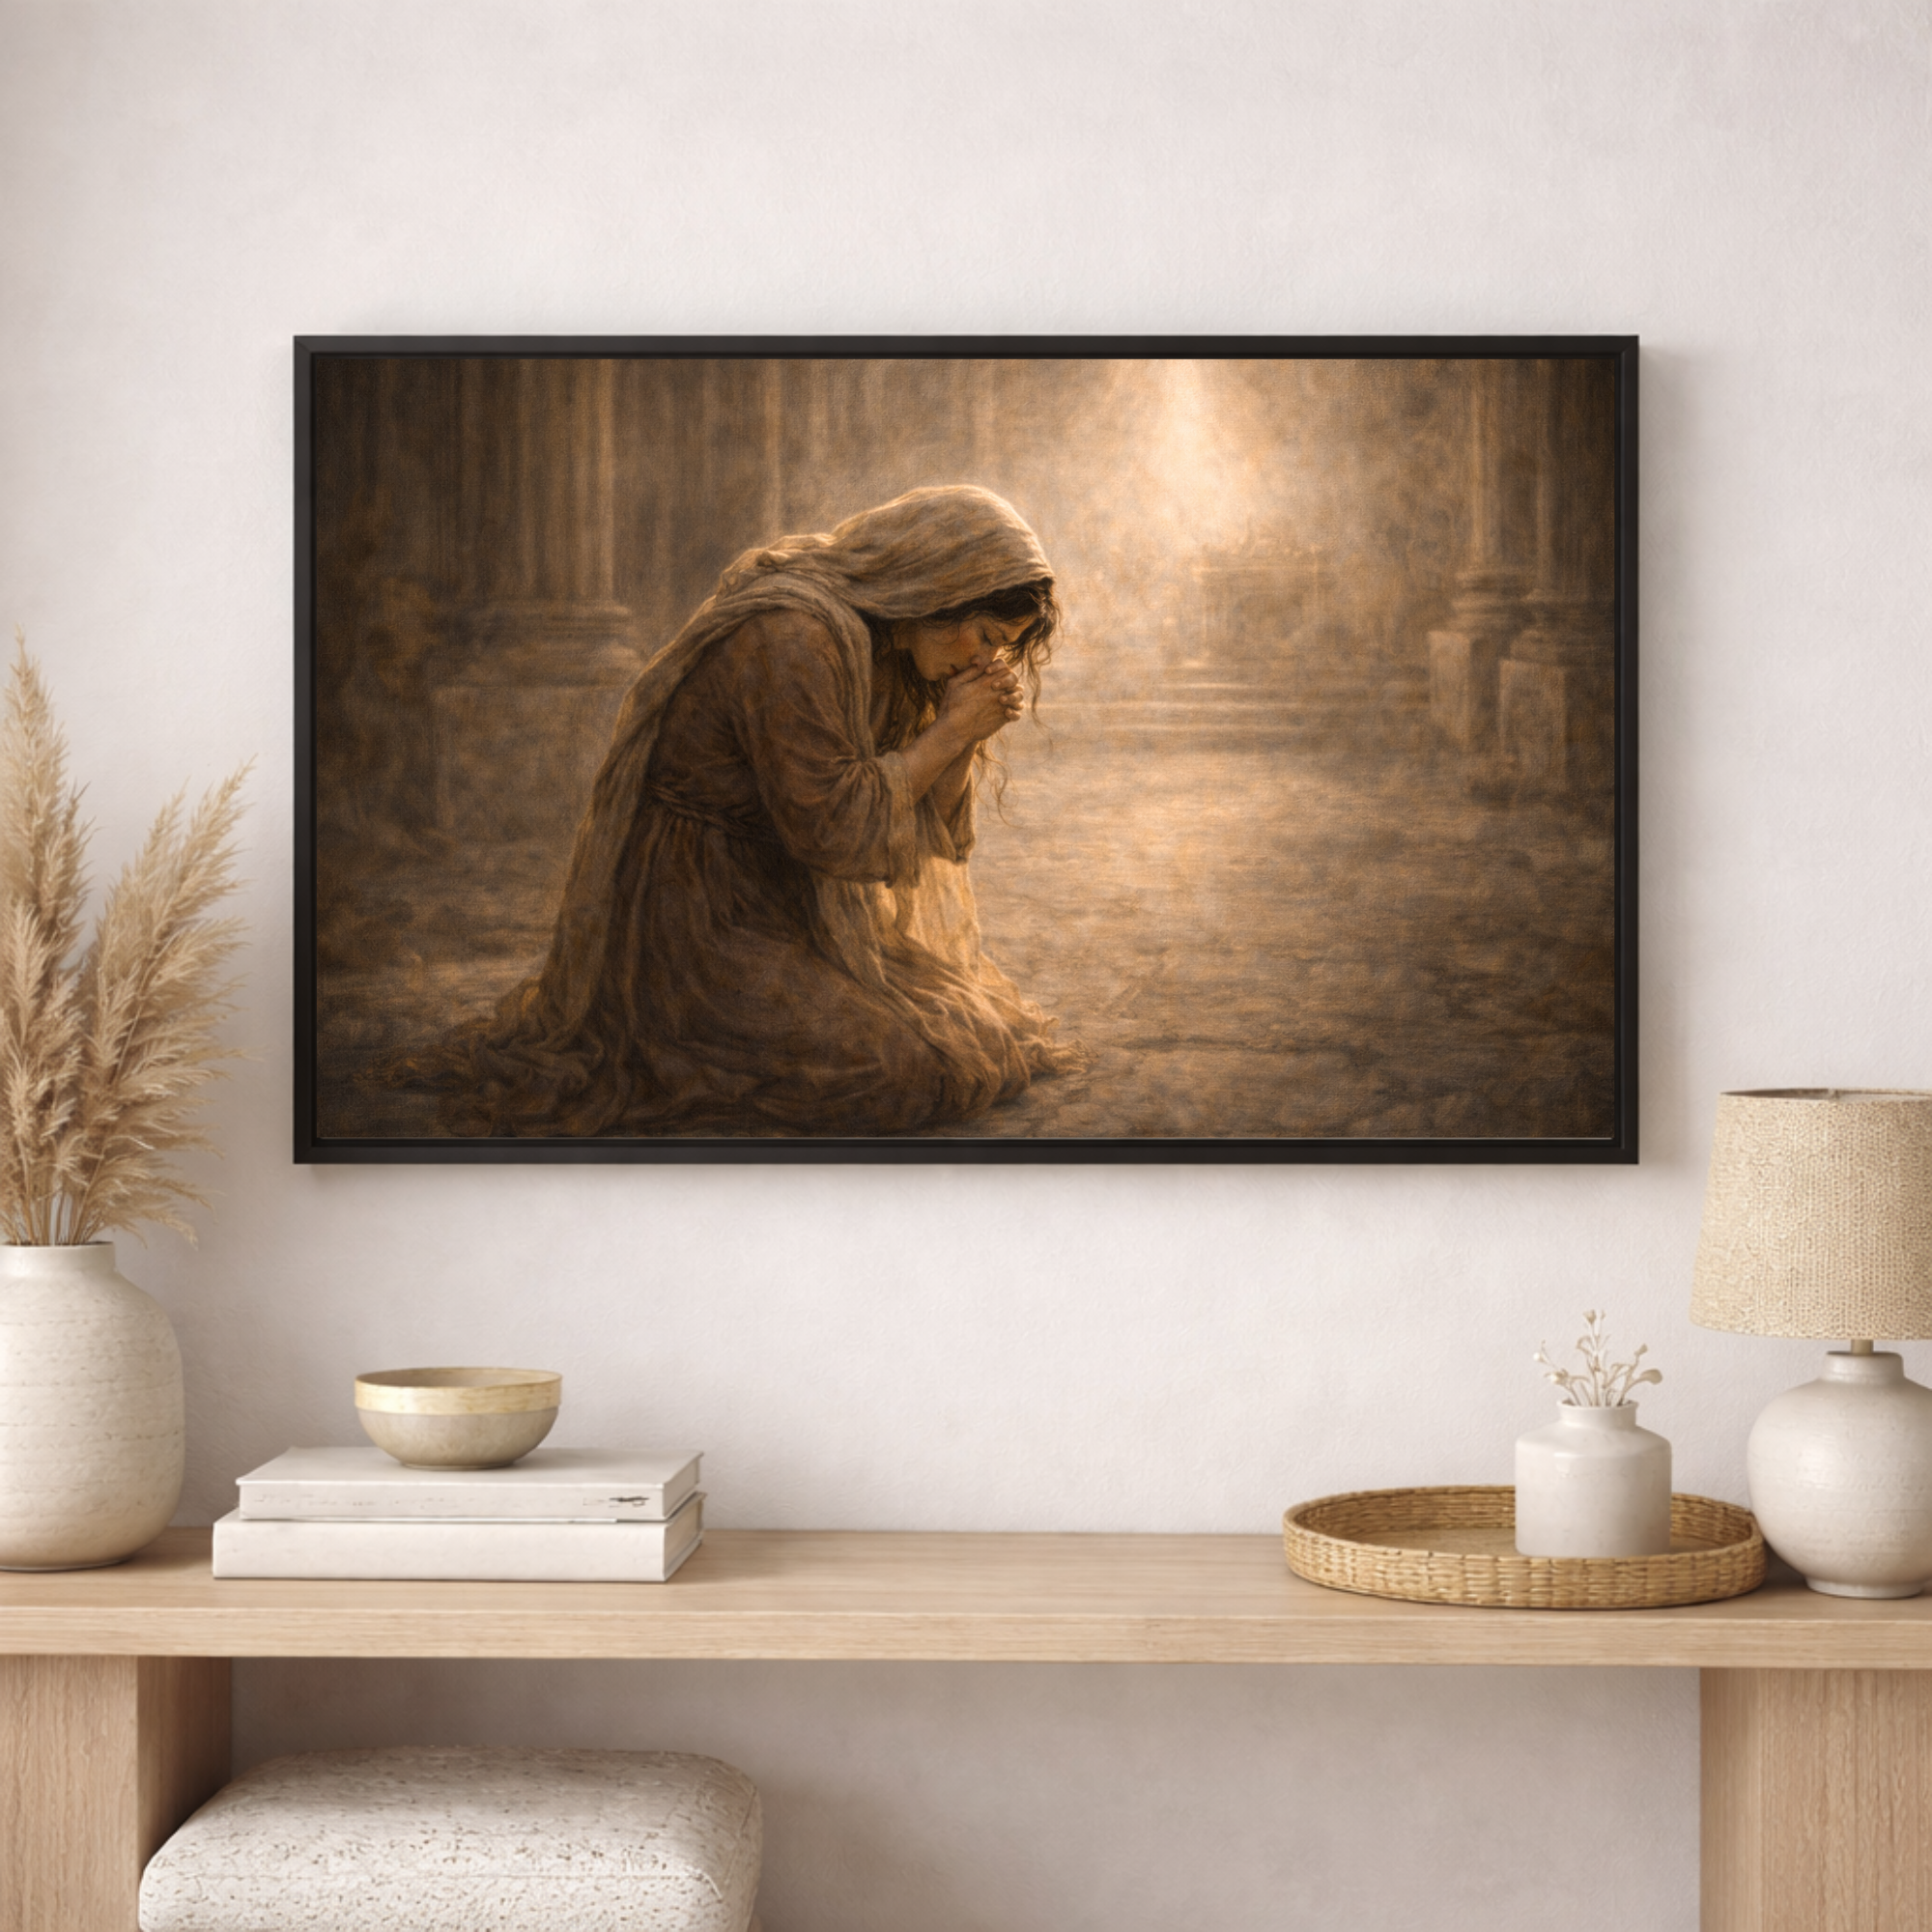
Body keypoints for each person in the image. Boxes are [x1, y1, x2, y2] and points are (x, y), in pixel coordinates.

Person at [400, 484, 1080, 1136]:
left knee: (981, 1035)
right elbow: (834, 830)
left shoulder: (895, 645)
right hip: (701, 912)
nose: (987, 658)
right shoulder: (794, 634)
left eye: (1001, 645)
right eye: (985, 634)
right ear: (936, 590)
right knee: (902, 1070)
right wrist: (952, 731)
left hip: (789, 899)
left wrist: (961, 734)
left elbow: (929, 833)